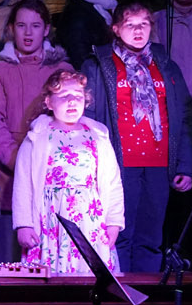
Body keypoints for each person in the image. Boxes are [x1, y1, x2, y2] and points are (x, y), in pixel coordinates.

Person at [82, 0, 192, 272]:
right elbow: (89, 117)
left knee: (151, 239)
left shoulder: (165, 65)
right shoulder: (98, 65)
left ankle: (146, 295)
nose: (137, 30)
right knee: (118, 236)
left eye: (143, 24)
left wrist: (185, 165)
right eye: (130, 24)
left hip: (159, 164)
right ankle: (119, 294)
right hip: (119, 164)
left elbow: (185, 115)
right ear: (116, 29)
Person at [0, 0, 73, 262]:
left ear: (46, 29)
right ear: (11, 28)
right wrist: (18, 161)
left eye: (35, 25)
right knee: (10, 261)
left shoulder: (62, 70)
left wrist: (49, 165)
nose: (28, 33)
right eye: (21, 25)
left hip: (52, 176)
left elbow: (70, 124)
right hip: (9, 176)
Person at [14, 70, 124, 275]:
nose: (72, 101)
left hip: (89, 221)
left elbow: (113, 182)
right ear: (49, 102)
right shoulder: (38, 137)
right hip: (51, 220)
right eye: (64, 96)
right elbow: (23, 183)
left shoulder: (98, 136)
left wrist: (114, 222)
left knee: (90, 273)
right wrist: (24, 224)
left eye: (78, 96)